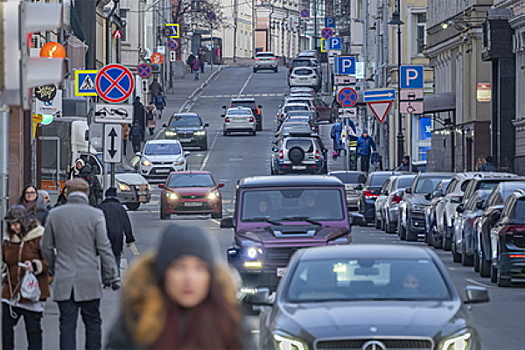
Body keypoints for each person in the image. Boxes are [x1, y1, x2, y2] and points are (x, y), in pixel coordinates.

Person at [105, 225, 248, 349]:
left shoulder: (230, 321)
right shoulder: (136, 321)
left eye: (199, 268)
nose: (189, 278)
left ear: (210, 275)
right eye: (179, 267)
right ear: (163, 272)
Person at [42, 178, 120, 350]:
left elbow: (46, 247)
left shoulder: (55, 215)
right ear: (86, 193)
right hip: (89, 279)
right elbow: (104, 247)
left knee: (67, 325)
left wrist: (54, 267)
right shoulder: (95, 215)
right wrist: (112, 276)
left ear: (67, 193)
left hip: (64, 278)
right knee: (92, 322)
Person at [2, 205, 50, 350]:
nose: (13, 227)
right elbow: (5, 261)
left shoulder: (39, 237)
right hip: (11, 292)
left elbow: (50, 261)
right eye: (11, 224)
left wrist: (35, 265)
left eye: (16, 224)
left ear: (24, 222)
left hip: (32, 293)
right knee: (6, 330)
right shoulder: (8, 241)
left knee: (33, 331)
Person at [98, 187, 136, 274]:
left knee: (104, 257)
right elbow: (126, 223)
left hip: (104, 235)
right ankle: (116, 276)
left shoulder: (101, 208)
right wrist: (129, 238)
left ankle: (106, 279)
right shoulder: (120, 208)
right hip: (117, 236)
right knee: (116, 256)